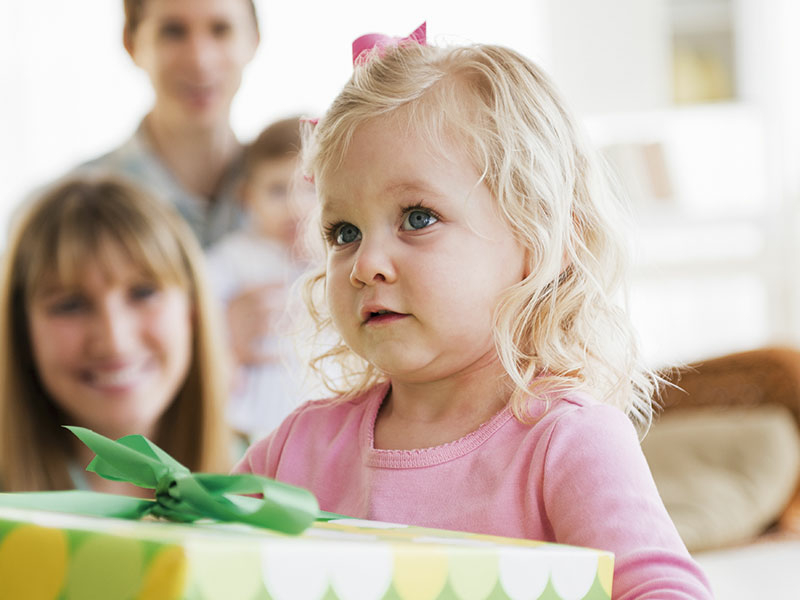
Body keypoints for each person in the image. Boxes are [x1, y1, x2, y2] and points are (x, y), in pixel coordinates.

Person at [234, 28, 713, 598]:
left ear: (540, 242)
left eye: (417, 218)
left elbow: (662, 589)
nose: (366, 263)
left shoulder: (566, 441)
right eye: (344, 232)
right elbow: (198, 563)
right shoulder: (296, 448)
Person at [0, 176, 232, 494]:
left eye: (143, 293)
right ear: (22, 329)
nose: (115, 342)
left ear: (191, 310)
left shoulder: (276, 473)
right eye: (70, 305)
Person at [206, 116, 315, 440]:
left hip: (324, 412)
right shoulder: (234, 258)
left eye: (311, 187)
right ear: (247, 197)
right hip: (253, 420)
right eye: (277, 190)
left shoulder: (337, 257)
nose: (296, 205)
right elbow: (200, 310)